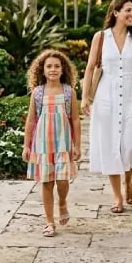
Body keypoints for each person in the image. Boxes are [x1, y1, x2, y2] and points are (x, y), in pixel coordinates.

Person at [82, 0, 132, 214]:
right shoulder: (101, 37)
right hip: (106, 95)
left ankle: (128, 181)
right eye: (128, 11)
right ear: (116, 12)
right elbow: (91, 67)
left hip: (131, 95)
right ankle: (117, 196)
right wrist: (85, 97)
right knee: (111, 144)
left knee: (130, 144)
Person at [23, 49, 82, 237]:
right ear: (42, 70)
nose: (53, 69)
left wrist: (77, 145)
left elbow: (75, 120)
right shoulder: (38, 93)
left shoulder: (68, 92)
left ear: (63, 69)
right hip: (42, 146)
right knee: (47, 182)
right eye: (49, 66)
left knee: (63, 180)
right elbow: (31, 120)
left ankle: (62, 202)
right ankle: (49, 222)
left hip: (63, 144)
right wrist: (26, 145)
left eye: (57, 66)